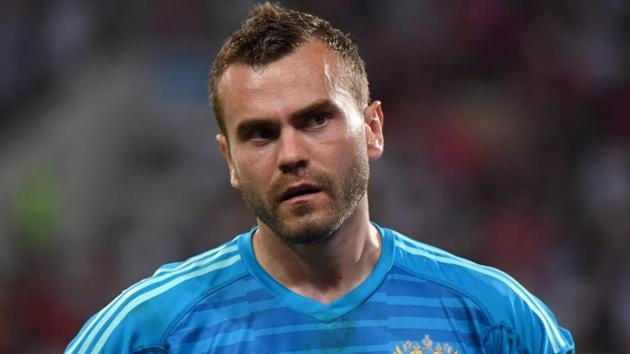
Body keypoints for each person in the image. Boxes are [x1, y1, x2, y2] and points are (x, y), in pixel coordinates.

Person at [65, 3, 575, 353]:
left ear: (372, 129)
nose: (291, 154)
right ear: (229, 161)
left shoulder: (494, 319)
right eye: (260, 134)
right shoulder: (152, 328)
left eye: (315, 120)